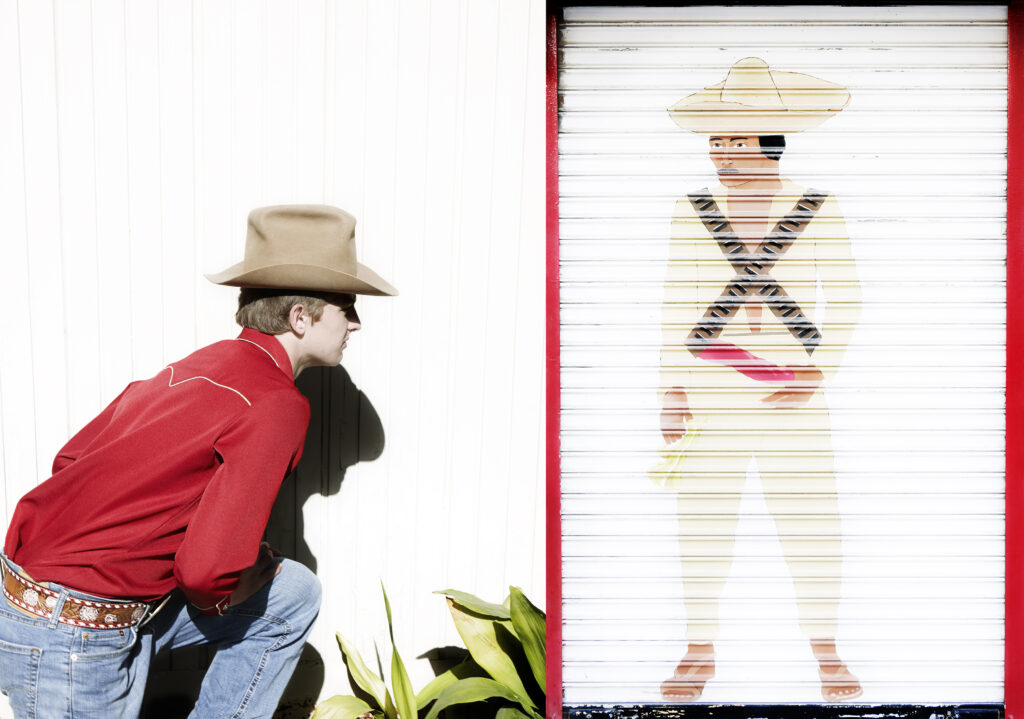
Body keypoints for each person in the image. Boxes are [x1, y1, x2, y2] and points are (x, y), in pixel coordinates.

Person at [0, 204, 397, 717]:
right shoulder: (278, 403)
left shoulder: (199, 364)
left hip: (32, 600)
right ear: (300, 317)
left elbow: (70, 458)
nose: (357, 323)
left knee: (291, 592)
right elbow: (206, 572)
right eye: (346, 307)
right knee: (242, 580)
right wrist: (221, 593)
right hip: (75, 634)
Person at [653, 58, 863, 702]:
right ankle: (698, 647)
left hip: (792, 397)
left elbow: (848, 297)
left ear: (769, 137)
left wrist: (814, 372)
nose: (719, 150)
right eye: (714, 138)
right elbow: (677, 299)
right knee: (703, 520)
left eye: (733, 137)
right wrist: (671, 389)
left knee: (812, 523)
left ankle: (827, 649)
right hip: (714, 392)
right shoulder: (693, 210)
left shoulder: (816, 206)